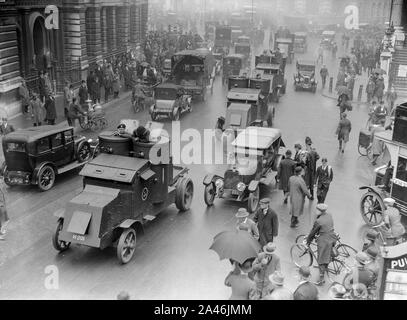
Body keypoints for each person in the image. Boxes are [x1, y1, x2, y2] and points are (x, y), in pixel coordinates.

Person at [306, 204, 337, 286]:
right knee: (327, 255)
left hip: (325, 240)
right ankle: (326, 264)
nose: (316, 211)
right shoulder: (329, 215)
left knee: (321, 259)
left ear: (320, 211)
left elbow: (313, 232)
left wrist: (308, 240)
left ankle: (321, 279)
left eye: (317, 210)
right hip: (332, 237)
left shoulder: (319, 221)